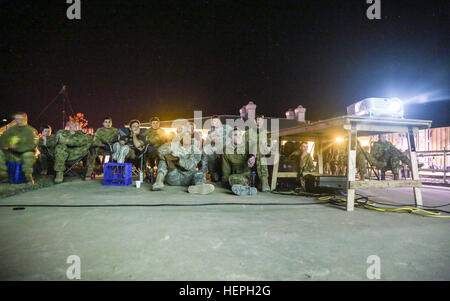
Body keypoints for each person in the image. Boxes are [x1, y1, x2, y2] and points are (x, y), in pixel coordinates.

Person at [0, 112, 38, 184]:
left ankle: (28, 178)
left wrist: (18, 147)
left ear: (25, 120)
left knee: (28, 155)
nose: (16, 121)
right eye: (16, 119)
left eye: (20, 119)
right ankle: (4, 177)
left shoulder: (31, 131)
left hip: (26, 152)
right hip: (12, 153)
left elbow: (32, 145)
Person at [53, 118, 93, 183]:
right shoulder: (61, 132)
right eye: (71, 124)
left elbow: (81, 141)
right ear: (67, 125)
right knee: (60, 147)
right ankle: (59, 173)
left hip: (77, 154)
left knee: (88, 144)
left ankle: (87, 171)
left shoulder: (80, 134)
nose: (72, 126)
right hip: (62, 154)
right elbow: (56, 141)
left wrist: (66, 141)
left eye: (74, 125)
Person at [222, 128, 257, 196]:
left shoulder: (247, 145)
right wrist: (226, 182)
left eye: (240, 134)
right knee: (231, 179)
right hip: (236, 176)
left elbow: (255, 147)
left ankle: (247, 185)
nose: (238, 136)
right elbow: (225, 168)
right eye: (235, 135)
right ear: (230, 138)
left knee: (233, 179)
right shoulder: (226, 150)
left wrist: (253, 156)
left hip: (250, 174)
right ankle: (247, 189)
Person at [245, 115, 272, 192]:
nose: (259, 122)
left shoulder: (267, 134)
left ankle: (263, 181)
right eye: (257, 120)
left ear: (263, 121)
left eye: (261, 120)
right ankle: (263, 182)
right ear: (254, 121)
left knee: (260, 153)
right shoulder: (248, 133)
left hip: (262, 156)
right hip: (249, 156)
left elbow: (270, 148)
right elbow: (244, 146)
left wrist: (268, 149)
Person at [204, 115, 233, 182]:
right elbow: (207, 143)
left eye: (217, 121)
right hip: (216, 153)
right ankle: (213, 175)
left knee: (225, 174)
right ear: (212, 123)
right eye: (213, 121)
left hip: (226, 152)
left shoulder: (227, 128)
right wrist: (212, 142)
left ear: (220, 121)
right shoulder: (211, 131)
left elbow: (235, 133)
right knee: (215, 178)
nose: (215, 122)